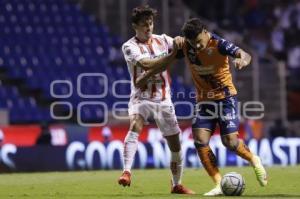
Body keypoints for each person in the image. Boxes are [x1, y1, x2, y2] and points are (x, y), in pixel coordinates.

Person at [140, 18, 268, 196]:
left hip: (226, 99)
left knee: (229, 142)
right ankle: (218, 184)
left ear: (205, 33)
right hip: (204, 102)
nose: (197, 46)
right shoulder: (186, 46)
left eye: (199, 42)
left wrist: (242, 61)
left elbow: (244, 54)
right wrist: (147, 74)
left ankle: (254, 160)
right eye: (193, 43)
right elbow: (165, 62)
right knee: (200, 141)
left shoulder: (219, 44)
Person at [118, 5, 194, 194]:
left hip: (163, 98)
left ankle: (176, 184)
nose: (149, 27)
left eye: (150, 23)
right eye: (144, 24)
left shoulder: (163, 40)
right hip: (141, 96)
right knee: (135, 124)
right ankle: (126, 172)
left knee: (175, 143)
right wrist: (171, 56)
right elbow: (146, 63)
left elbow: (184, 47)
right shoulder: (129, 46)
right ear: (135, 26)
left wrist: (181, 42)